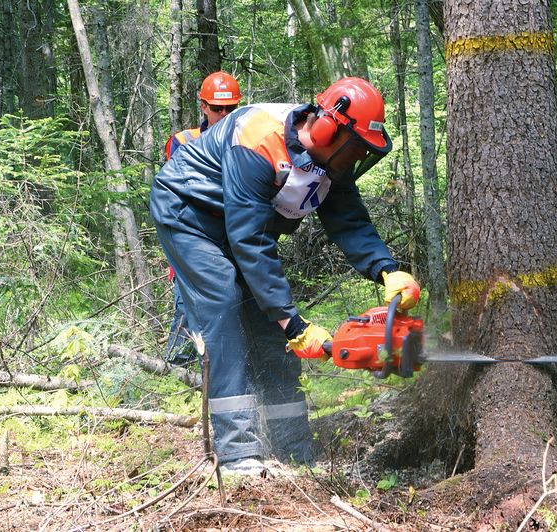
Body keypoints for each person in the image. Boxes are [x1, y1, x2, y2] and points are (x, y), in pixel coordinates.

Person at [150, 77, 420, 476]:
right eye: (355, 147)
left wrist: (386, 269)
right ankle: (237, 453)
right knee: (225, 309)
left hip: (239, 226)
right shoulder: (259, 139)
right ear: (329, 128)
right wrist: (292, 321)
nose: (356, 157)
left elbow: (349, 221)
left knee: (271, 332)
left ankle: (291, 448)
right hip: (191, 215)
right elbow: (251, 243)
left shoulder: (331, 162)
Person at [163, 71, 242, 366]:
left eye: (230, 108)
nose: (223, 114)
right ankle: (177, 372)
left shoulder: (246, 142)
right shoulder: (184, 141)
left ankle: (221, 370)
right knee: (188, 309)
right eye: (217, 108)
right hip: (194, 240)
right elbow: (181, 193)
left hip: (233, 238)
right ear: (204, 107)